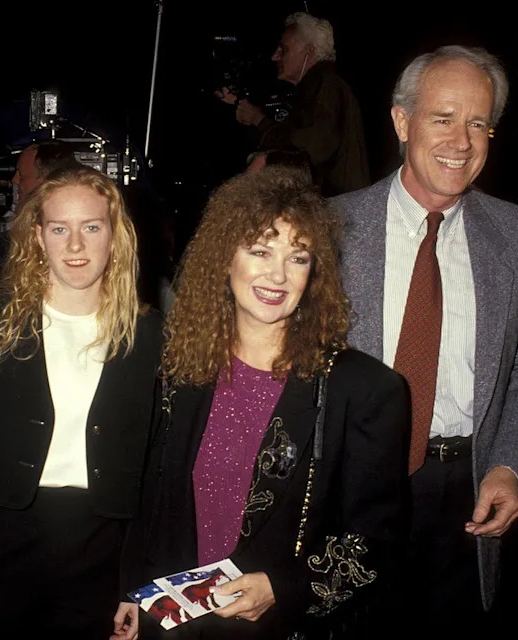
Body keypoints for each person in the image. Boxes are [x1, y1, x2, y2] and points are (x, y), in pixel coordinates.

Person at [122, 168, 409, 638]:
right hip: (172, 625)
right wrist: (130, 594)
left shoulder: (365, 390)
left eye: (298, 257)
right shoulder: (178, 368)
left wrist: (285, 587)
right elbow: (146, 505)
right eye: (260, 251)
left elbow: (376, 544)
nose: (278, 275)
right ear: (224, 258)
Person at [334, 46, 518, 635]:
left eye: (479, 123)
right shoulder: (329, 227)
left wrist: (509, 466)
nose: (463, 141)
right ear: (402, 122)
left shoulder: (517, 234)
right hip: (352, 486)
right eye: (443, 118)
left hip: (466, 492)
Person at [0, 166, 162, 638]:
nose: (75, 245)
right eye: (59, 228)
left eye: (91, 227)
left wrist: (136, 583)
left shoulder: (148, 334)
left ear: (115, 236)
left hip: (99, 548)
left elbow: (154, 470)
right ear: (38, 237)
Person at [219, 12, 368, 195]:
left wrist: (258, 121)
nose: (275, 56)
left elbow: (307, 152)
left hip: (335, 212)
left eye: (284, 49)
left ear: (309, 51)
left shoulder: (326, 85)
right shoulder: (318, 86)